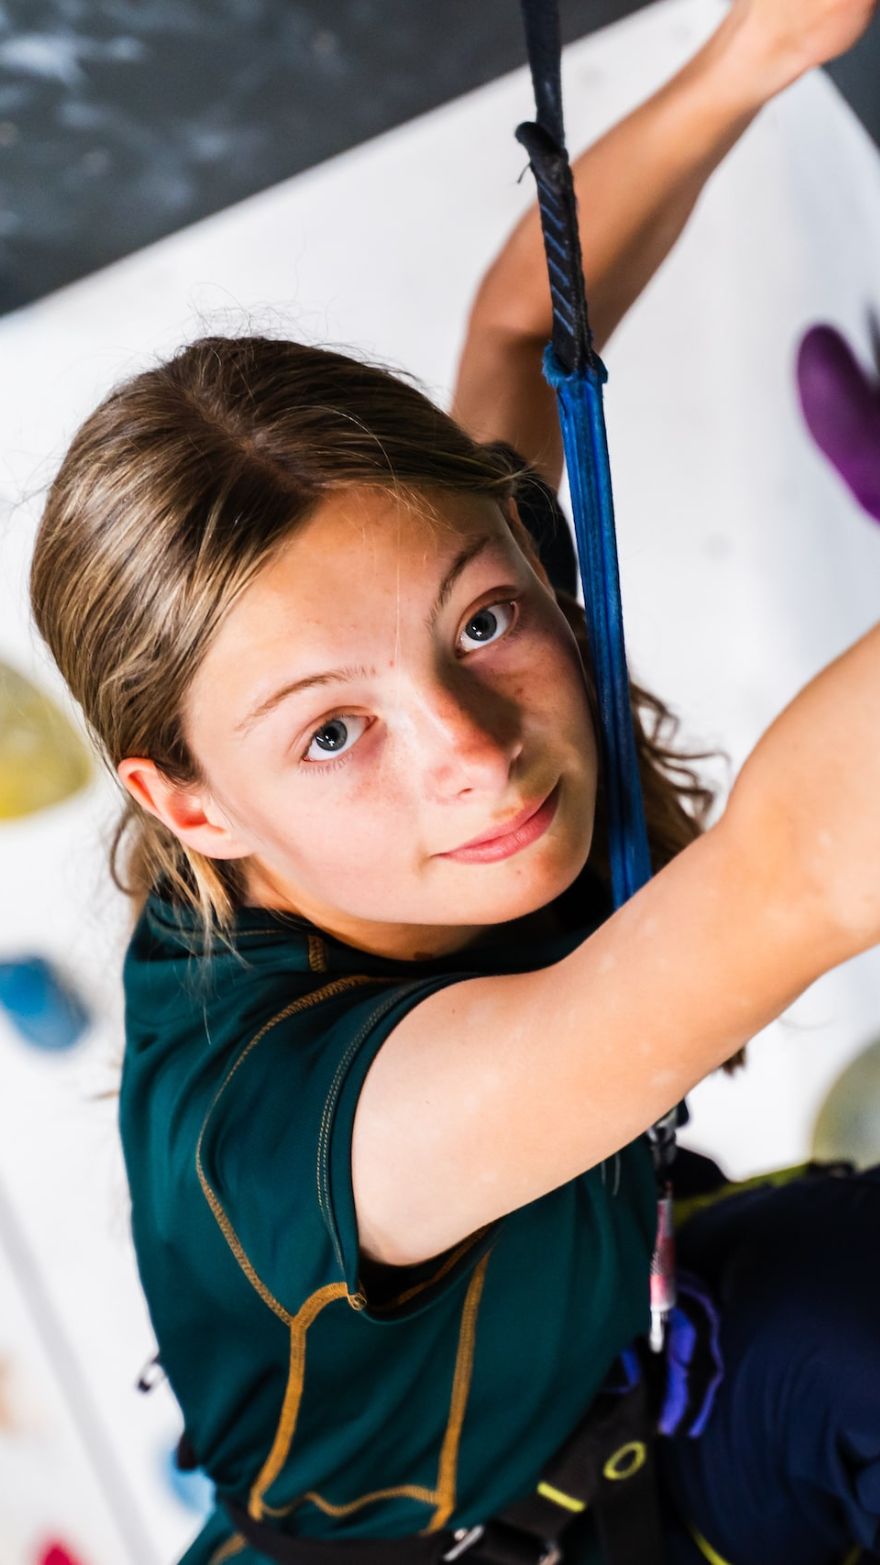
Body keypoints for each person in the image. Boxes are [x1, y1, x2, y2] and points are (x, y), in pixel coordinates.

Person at [27, 1, 880, 1562]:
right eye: (332, 733)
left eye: (482, 619)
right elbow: (800, 874)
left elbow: (511, 337)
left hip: (640, 1383)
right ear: (191, 801)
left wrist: (751, 51)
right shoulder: (310, 1134)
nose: (472, 749)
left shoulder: (434, 611)